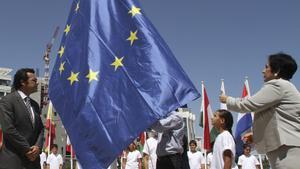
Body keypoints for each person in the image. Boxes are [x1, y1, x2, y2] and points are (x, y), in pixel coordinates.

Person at [220, 53, 300, 169]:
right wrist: (256, 135)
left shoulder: (278, 85)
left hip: (287, 150)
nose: (263, 71)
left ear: (276, 71)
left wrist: (227, 100)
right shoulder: (285, 87)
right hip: (286, 149)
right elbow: (277, 121)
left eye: (267, 67)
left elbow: (248, 104)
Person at [0, 68, 44, 169]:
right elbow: (8, 129)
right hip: (14, 161)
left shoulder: (35, 105)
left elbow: (40, 129)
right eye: (34, 80)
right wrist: (27, 149)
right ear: (23, 82)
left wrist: (38, 147)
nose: (37, 83)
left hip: (33, 162)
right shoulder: (8, 101)